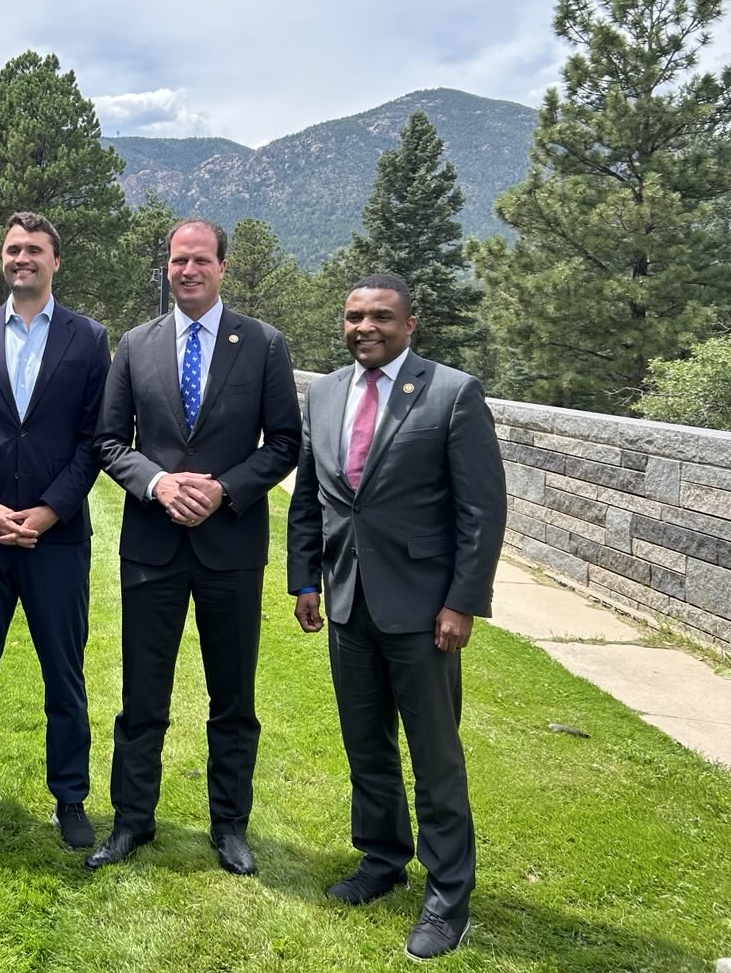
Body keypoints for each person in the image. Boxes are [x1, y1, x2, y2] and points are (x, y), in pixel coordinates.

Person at [286, 272, 505, 961]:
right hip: (348, 600)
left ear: (412, 324)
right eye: (354, 316)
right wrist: (306, 580)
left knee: (435, 758)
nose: (365, 328)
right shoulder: (323, 393)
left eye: (381, 316)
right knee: (367, 748)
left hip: (423, 611)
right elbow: (309, 499)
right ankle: (381, 861)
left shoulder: (452, 393)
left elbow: (481, 510)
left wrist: (462, 601)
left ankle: (448, 897)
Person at [88, 218, 300, 876]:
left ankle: (230, 826)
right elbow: (107, 442)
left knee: (233, 700)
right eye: (178, 261)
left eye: (200, 260)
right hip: (151, 547)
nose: (187, 270)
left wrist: (225, 489)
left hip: (230, 548)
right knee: (142, 696)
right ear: (168, 268)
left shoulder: (263, 345)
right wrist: (155, 483)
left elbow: (286, 444)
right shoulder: (135, 344)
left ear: (222, 268)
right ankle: (132, 821)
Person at [0, 212, 111, 849]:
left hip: (56, 537)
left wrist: (51, 508)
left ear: (55, 261)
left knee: (64, 671)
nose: (22, 258)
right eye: (12, 249)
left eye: (34, 249)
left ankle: (70, 797)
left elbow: (97, 438)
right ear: (1, 261)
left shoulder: (89, 339)